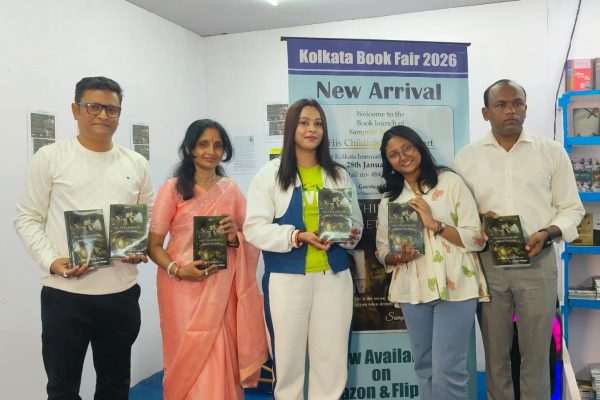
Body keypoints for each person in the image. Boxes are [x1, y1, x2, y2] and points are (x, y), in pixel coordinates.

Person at [14, 76, 153, 400]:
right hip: (65, 295)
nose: (103, 115)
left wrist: (139, 245)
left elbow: (147, 215)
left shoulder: (136, 163)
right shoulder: (50, 157)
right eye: (93, 107)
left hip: (120, 294)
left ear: (119, 114)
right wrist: (52, 261)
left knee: (115, 385)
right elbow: (27, 217)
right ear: (76, 110)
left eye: (111, 109)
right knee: (62, 389)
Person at [454, 79, 585, 399]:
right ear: (486, 113)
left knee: (537, 355)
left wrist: (548, 232)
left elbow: (572, 209)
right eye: (501, 105)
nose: (510, 111)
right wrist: (479, 219)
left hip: (538, 261)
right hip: (489, 264)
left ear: (526, 108)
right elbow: (458, 213)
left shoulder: (551, 152)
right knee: (495, 354)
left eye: (517, 104)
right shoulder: (466, 158)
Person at [244, 98, 363, 399]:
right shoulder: (270, 174)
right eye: (304, 122)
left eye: (318, 123)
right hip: (286, 280)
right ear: (290, 128)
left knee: (332, 359)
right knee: (287, 360)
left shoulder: (338, 174)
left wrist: (349, 234)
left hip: (333, 278)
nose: (312, 129)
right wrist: (296, 236)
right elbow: (254, 229)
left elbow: (356, 226)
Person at [147, 119, 268, 400]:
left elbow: (251, 235)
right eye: (203, 144)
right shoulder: (172, 189)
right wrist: (178, 269)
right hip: (181, 290)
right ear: (189, 148)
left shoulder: (230, 190)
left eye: (217, 145)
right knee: (187, 357)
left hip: (220, 291)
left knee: (219, 355)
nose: (211, 151)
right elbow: (153, 246)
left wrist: (233, 236)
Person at [375, 125, 489, 399]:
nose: (403, 156)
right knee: (424, 367)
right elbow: (381, 252)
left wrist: (434, 224)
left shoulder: (450, 183)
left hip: (456, 286)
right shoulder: (390, 200)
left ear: (419, 147)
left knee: (449, 370)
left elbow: (477, 239)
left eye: (407, 148)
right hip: (413, 290)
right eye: (393, 154)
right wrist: (397, 256)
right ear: (388, 162)